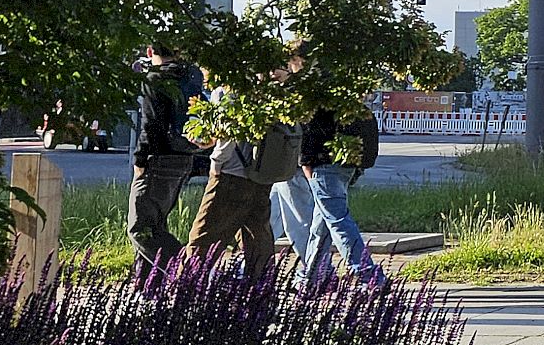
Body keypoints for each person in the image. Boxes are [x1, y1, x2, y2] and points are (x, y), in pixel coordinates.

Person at [188, 113, 302, 281]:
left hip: (231, 174)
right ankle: (261, 291)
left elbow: (227, 128)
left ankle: (186, 289)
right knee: (257, 239)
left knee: (203, 238)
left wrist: (216, 162)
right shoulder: (265, 90)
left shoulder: (227, 89)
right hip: (261, 172)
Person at [126, 46, 205, 284]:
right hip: (184, 155)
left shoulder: (155, 79)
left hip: (159, 158)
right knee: (156, 223)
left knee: (140, 228)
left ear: (150, 51)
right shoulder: (191, 75)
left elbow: (151, 125)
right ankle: (147, 285)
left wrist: (140, 160)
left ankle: (188, 270)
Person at [288, 103, 386, 291]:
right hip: (344, 165)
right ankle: (311, 277)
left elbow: (309, 135)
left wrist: (305, 164)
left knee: (337, 221)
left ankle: (367, 274)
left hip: (322, 167)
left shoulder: (315, 101)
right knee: (321, 226)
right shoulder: (345, 99)